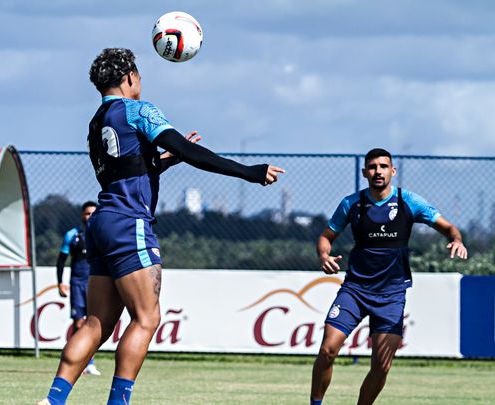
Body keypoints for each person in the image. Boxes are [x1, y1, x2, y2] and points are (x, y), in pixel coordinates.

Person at [38, 48, 284, 405]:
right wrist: (249, 172)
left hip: (103, 222)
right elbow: (190, 151)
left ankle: (53, 400)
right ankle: (118, 402)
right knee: (146, 317)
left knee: (96, 323)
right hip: (129, 222)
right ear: (129, 78)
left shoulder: (96, 123)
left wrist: (161, 162)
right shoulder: (139, 110)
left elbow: (126, 172)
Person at [309, 148, 468, 405]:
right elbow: (326, 237)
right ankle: (315, 403)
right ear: (365, 173)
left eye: (383, 166)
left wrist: (456, 240)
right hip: (355, 290)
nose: (378, 171)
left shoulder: (409, 201)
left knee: (382, 366)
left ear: (392, 171)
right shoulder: (351, 204)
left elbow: (449, 227)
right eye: (372, 167)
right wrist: (323, 256)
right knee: (327, 350)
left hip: (391, 295)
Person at [56, 201, 100, 376]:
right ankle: (76, 361)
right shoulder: (72, 236)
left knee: (94, 323)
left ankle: (90, 363)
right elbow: (61, 260)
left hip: (97, 284)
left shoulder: (102, 235)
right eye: (87, 213)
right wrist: (60, 282)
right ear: (82, 215)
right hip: (78, 283)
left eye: (93, 213)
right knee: (79, 323)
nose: (89, 216)